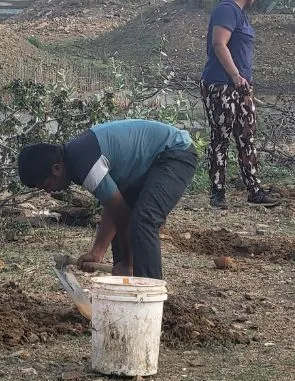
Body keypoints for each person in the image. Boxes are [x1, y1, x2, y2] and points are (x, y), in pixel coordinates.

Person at [17, 120, 197, 280]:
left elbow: (121, 214)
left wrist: (128, 263)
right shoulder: (75, 158)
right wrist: (97, 252)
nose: (48, 191)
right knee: (126, 218)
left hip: (173, 153)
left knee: (144, 220)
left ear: (56, 169)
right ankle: (127, 289)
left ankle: (151, 294)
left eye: (45, 185)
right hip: (147, 164)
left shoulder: (85, 164)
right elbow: (113, 207)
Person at [199, 0, 276, 210]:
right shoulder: (227, 10)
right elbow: (218, 44)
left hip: (240, 86)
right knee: (220, 138)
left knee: (246, 135)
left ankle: (254, 190)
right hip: (222, 84)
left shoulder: (239, 14)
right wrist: (235, 76)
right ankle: (217, 192)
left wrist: (243, 82)